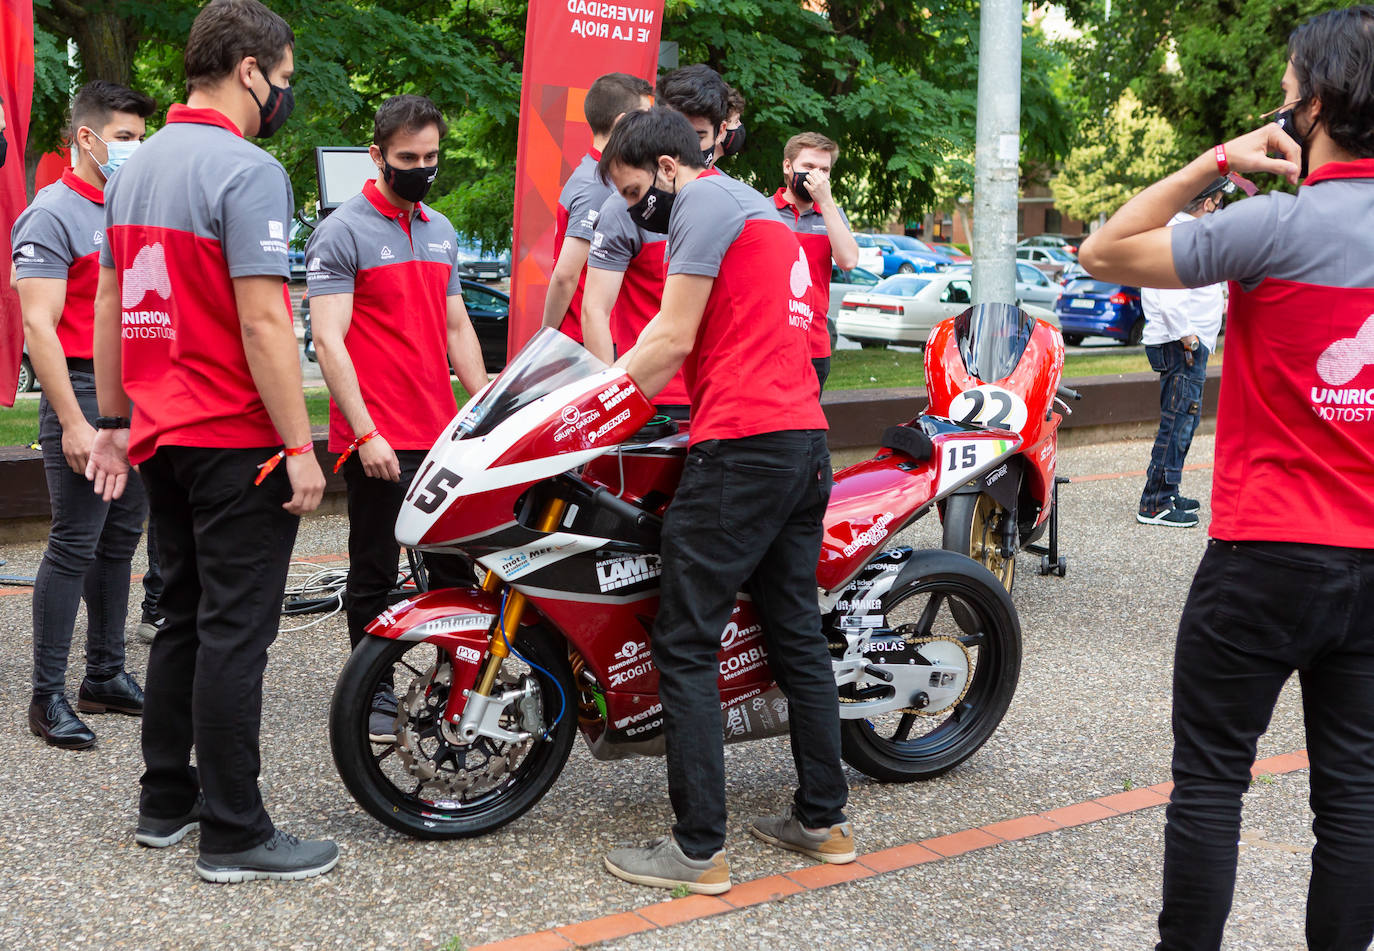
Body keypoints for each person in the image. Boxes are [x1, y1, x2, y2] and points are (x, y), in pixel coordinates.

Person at [1078, 7, 1374, 948]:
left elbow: (1104, 248)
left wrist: (1216, 160)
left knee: (1211, 781)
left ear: (1314, 106)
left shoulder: (1271, 226)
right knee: (1358, 795)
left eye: (1287, 94)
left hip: (1267, 553)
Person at [87, 0, 336, 883]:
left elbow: (114, 302)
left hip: (160, 435)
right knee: (237, 630)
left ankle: (167, 800)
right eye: (286, 79)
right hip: (237, 437)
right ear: (249, 70)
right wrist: (301, 445)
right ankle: (235, 830)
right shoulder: (248, 169)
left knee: (185, 617)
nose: (285, 95)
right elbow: (266, 321)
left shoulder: (132, 165)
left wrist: (114, 423)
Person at [597, 107, 853, 895]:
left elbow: (670, 337)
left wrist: (584, 410)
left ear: (670, 166)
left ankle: (697, 847)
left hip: (740, 446)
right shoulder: (757, 211)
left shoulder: (703, 201)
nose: (638, 210)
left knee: (683, 640)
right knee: (796, 633)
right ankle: (821, 820)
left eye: (639, 191)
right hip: (802, 441)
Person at [305, 94, 488, 741]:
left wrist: (486, 395)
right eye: (408, 158)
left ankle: (453, 685)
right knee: (375, 571)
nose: (421, 168)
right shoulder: (342, 231)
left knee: (454, 572)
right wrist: (366, 432)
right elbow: (329, 340)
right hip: (376, 438)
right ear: (378, 154)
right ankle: (374, 692)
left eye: (432, 158)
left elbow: (456, 323)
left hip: (440, 434)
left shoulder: (441, 228)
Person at [13, 80, 155, 749]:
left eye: (140, 136)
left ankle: (104, 674)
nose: (136, 148)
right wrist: (72, 420)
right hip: (82, 391)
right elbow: (38, 328)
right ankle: (47, 697)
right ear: (87, 138)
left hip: (135, 398)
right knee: (73, 544)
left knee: (120, 538)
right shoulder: (52, 212)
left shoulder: (130, 210)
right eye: (125, 137)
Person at [582, 64, 732, 418]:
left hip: (711, 392)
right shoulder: (627, 204)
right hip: (648, 388)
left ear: (721, 132)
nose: (681, 146)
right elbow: (595, 310)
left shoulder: (728, 203)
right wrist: (609, 395)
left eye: (696, 136)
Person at [1136, 177, 1234, 528]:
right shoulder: (1181, 236)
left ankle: (1168, 489)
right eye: (1219, 200)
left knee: (1184, 421)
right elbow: (1170, 293)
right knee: (1177, 422)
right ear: (1207, 203)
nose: (1219, 207)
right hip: (1182, 346)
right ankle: (1155, 503)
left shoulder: (1180, 232)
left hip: (1187, 344)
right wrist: (1188, 338)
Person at [539, 72, 654, 361]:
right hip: (587, 344)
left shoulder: (593, 173)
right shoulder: (600, 186)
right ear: (621, 123)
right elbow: (566, 276)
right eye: (645, 118)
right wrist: (544, 341)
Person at [772, 132, 860, 391]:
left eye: (824, 170)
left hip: (813, 345)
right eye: (808, 167)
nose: (816, 176)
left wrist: (827, 202)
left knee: (807, 428)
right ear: (788, 166)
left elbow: (848, 260)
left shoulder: (832, 215)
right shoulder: (761, 210)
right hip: (768, 344)